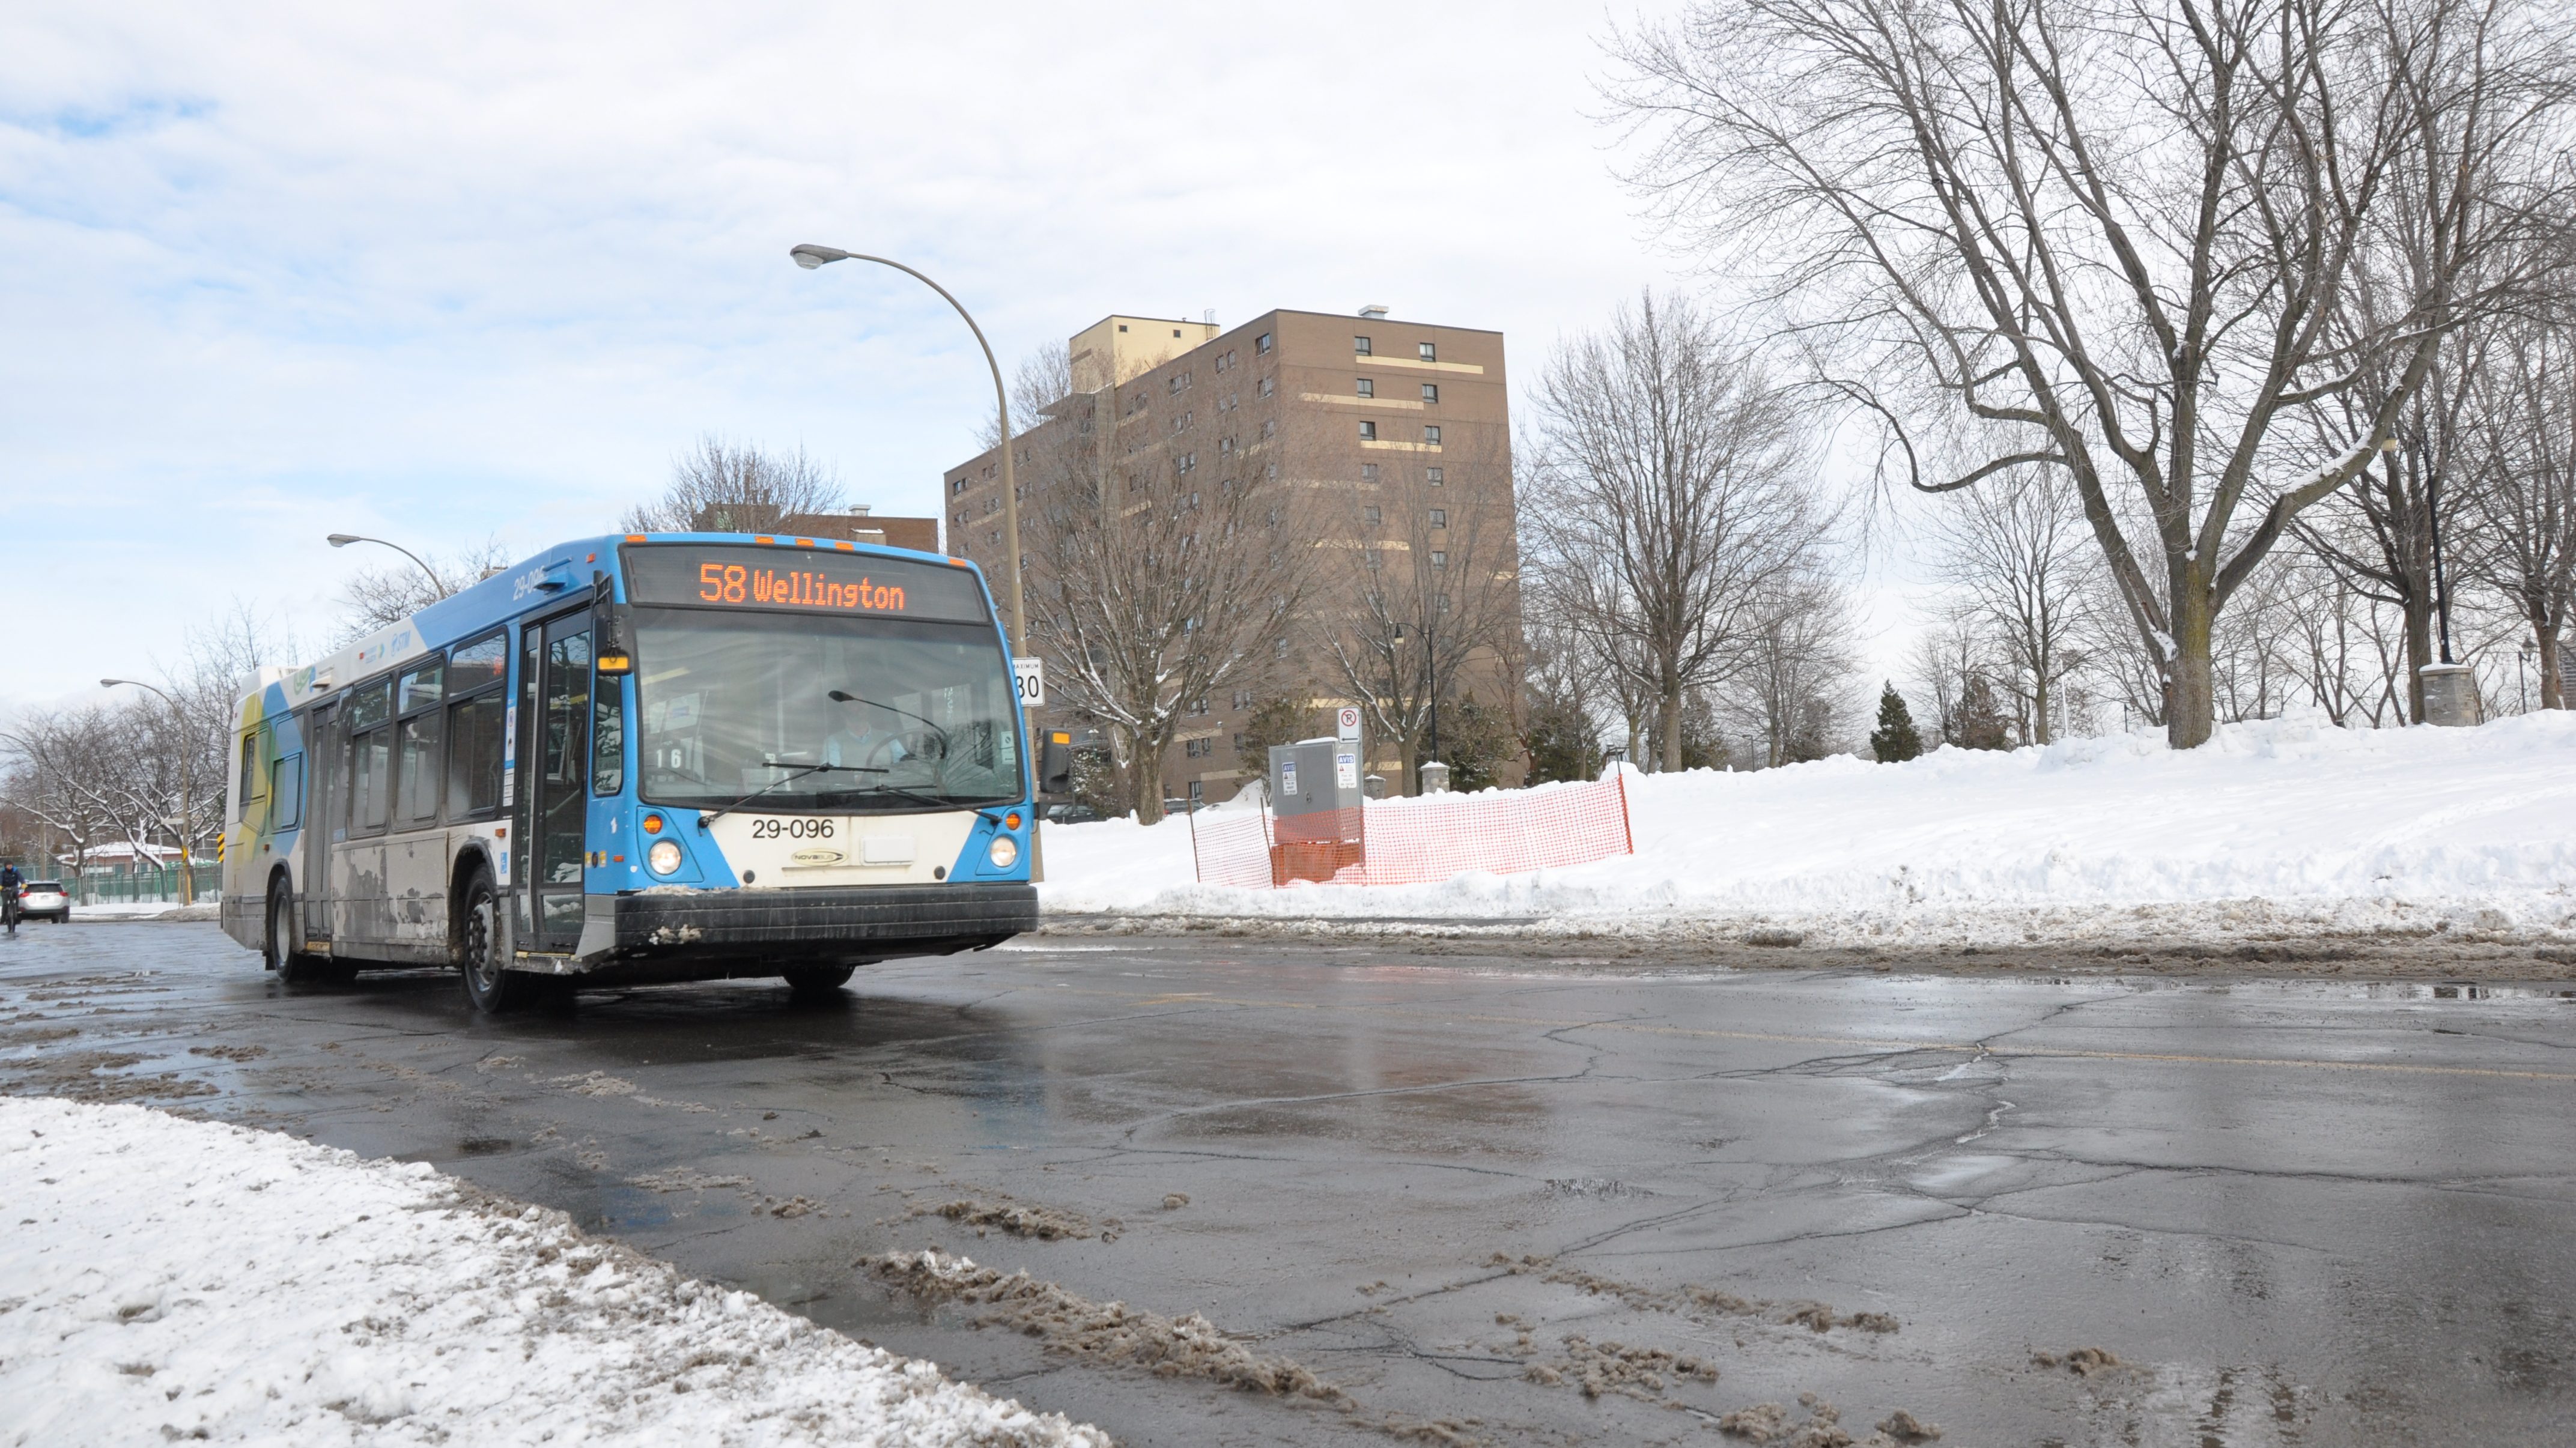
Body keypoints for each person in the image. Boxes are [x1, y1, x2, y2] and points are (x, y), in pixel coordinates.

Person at [1, 862, 20, 936]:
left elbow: (20, 877)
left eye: (11, 865)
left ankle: (17, 910)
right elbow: (1, 879)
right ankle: (3, 918)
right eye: (8, 865)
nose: (10, 866)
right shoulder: (2, 872)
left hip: (14, 888)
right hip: (4, 889)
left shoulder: (16, 871)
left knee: (17, 898)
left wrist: (23, 883)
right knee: (5, 903)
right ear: (6, 866)